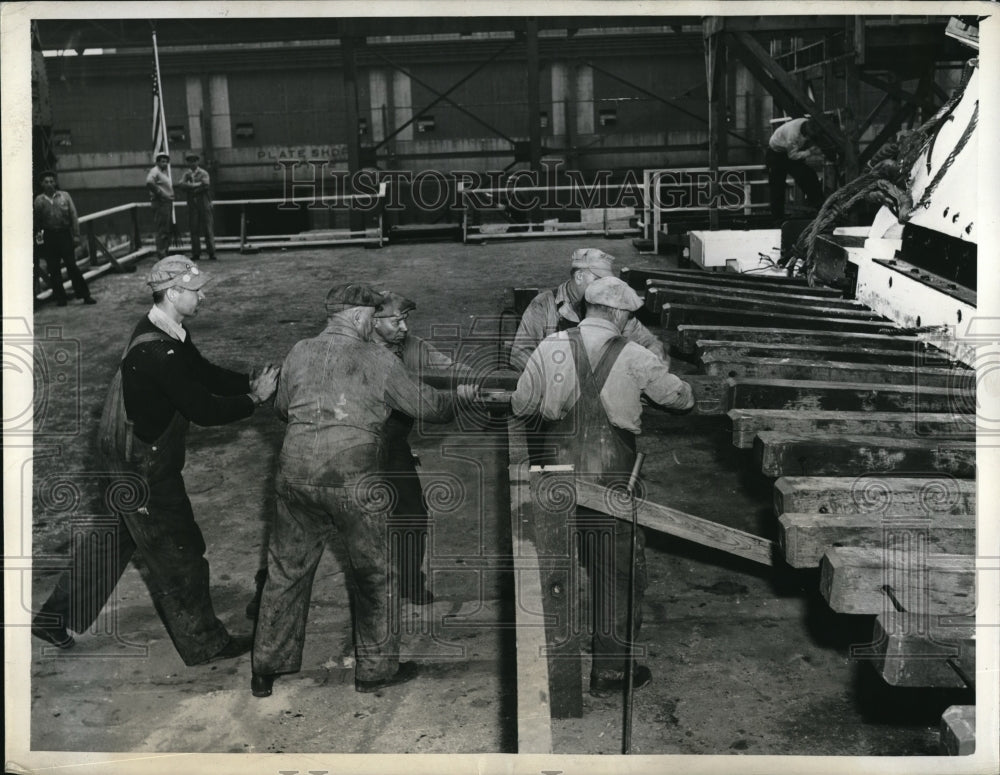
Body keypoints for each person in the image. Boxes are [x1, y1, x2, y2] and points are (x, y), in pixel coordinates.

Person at [31, 255, 279, 666]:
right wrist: (254, 400)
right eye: (197, 291)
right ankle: (205, 643)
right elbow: (203, 409)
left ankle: (53, 617)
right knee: (181, 553)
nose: (205, 296)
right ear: (174, 292)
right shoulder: (159, 352)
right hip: (144, 470)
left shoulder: (164, 330)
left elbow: (202, 372)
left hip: (121, 460)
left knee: (112, 542)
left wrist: (250, 382)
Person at [250, 284, 475, 698]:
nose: (377, 324)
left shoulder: (299, 350)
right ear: (357, 317)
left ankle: (265, 669)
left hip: (294, 474)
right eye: (373, 316)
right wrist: (459, 397)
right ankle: (375, 669)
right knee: (374, 572)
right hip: (353, 480)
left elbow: (282, 409)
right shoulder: (376, 358)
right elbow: (427, 407)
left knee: (286, 572)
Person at [510, 276, 694, 697]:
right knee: (616, 571)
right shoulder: (634, 356)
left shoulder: (550, 345)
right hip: (613, 479)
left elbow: (521, 404)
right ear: (617, 314)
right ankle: (610, 672)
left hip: (553, 475)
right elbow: (681, 399)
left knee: (553, 572)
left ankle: (551, 678)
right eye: (629, 316)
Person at [372, 292, 462, 605]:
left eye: (405, 319)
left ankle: (409, 580)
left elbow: (451, 370)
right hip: (349, 440)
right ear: (371, 320)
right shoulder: (352, 349)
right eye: (396, 320)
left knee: (411, 514)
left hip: (392, 441)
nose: (404, 327)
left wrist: (468, 383)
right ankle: (269, 587)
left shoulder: (412, 346)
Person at [509, 248, 666, 372]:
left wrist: (652, 366)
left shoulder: (609, 305)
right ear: (579, 277)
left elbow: (648, 342)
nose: (604, 286)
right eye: (598, 280)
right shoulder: (543, 305)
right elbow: (520, 355)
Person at [33, 171, 95, 306]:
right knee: (53, 268)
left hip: (64, 234)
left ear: (55, 182)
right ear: (41, 184)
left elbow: (73, 216)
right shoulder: (39, 200)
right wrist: (40, 242)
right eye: (46, 182)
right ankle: (60, 297)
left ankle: (85, 295)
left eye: (51, 181)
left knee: (72, 266)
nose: (49, 184)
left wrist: (76, 236)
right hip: (49, 236)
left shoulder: (64, 196)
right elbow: (37, 223)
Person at [766, 117, 825, 221]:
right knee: (777, 187)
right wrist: (809, 152)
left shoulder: (805, 124)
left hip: (788, 151)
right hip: (776, 155)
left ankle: (820, 208)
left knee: (808, 175)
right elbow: (792, 156)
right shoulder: (792, 135)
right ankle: (777, 220)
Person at [179, 153, 217, 261]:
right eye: (190, 161)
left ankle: (211, 252)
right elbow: (181, 185)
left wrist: (191, 188)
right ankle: (196, 253)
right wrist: (195, 185)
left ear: (197, 162)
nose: (192, 163)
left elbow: (206, 185)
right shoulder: (186, 174)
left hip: (204, 203)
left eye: (194, 161)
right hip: (192, 205)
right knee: (194, 229)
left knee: (207, 228)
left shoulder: (203, 173)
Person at [146, 152, 175, 258]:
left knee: (166, 229)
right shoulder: (155, 171)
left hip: (167, 203)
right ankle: (161, 253)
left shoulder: (163, 172)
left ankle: (165, 251)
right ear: (157, 162)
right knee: (162, 229)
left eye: (166, 161)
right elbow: (149, 182)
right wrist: (160, 193)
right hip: (160, 203)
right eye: (162, 161)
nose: (165, 163)